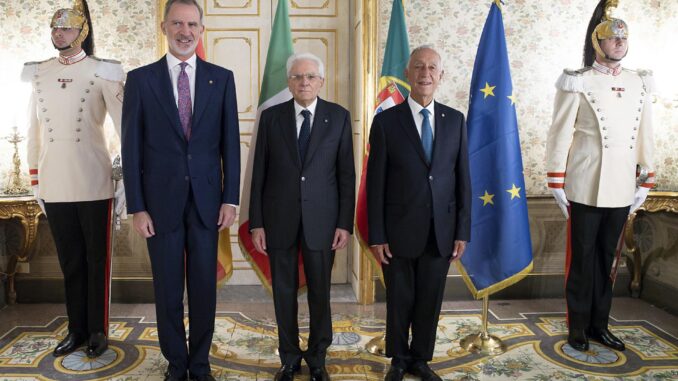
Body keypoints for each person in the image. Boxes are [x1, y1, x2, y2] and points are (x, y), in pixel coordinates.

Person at [121, 0, 240, 379]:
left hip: (208, 204)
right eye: (177, 23)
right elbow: (131, 146)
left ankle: (200, 362)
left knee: (204, 290)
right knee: (168, 290)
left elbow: (230, 145)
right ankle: (176, 362)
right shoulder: (140, 80)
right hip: (159, 206)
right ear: (164, 28)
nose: (185, 31)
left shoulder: (221, 78)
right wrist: (137, 206)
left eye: (192, 24)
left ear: (201, 30)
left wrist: (230, 197)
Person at [546, 0, 654, 353]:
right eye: (612, 37)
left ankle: (599, 325)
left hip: (622, 185)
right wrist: (556, 179)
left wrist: (647, 176)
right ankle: (577, 326)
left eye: (623, 37)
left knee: (609, 260)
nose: (619, 42)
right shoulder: (577, 81)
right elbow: (560, 132)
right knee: (582, 260)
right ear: (598, 43)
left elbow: (644, 132)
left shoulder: (639, 82)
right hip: (586, 183)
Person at [23, 0, 125, 359]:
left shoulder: (104, 71)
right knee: (70, 261)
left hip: (94, 178)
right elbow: (34, 131)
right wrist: (35, 180)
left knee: (96, 260)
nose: (58, 34)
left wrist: (125, 176)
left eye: (65, 28)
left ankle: (98, 329)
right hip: (55, 180)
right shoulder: (38, 72)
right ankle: (76, 329)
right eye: (54, 28)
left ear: (81, 33)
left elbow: (123, 125)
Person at [367, 45, 471, 381]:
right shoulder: (385, 121)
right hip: (398, 231)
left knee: (430, 298)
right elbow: (375, 184)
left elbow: (462, 179)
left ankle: (421, 358)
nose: (425, 73)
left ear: (441, 76)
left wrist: (462, 230)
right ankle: (398, 358)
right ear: (409, 73)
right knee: (399, 299)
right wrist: (377, 234)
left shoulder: (455, 120)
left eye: (432, 68)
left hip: (441, 230)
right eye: (418, 67)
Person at [249, 52, 355, 381]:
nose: (304, 82)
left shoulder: (338, 116)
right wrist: (256, 222)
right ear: (289, 82)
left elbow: (346, 175)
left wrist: (343, 223)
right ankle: (289, 358)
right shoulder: (271, 117)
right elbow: (259, 174)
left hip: (322, 224)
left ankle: (318, 358)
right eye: (297, 77)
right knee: (283, 293)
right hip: (278, 220)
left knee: (320, 293)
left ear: (321, 81)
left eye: (310, 76)